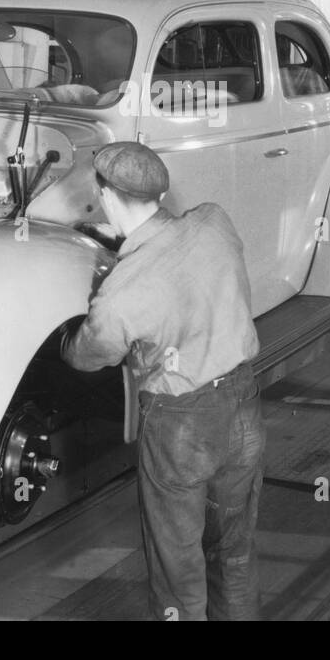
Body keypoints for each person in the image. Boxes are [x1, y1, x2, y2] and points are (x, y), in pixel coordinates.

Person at [61, 142, 263, 621]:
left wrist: (67, 340)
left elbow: (91, 355)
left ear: (104, 194)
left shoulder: (122, 292)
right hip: (244, 403)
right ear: (161, 189)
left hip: (181, 425)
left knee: (178, 569)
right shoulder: (215, 220)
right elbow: (187, 265)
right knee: (233, 552)